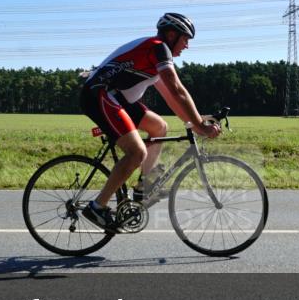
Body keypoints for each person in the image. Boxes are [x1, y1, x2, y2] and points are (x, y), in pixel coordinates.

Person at [79, 12, 221, 231]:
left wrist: (195, 122)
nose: (187, 46)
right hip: (99, 95)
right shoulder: (158, 48)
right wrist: (200, 126)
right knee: (137, 153)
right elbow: (178, 90)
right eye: (185, 39)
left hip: (117, 97)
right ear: (172, 35)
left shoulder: (156, 55)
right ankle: (97, 207)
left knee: (159, 127)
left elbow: (172, 98)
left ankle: (142, 188)